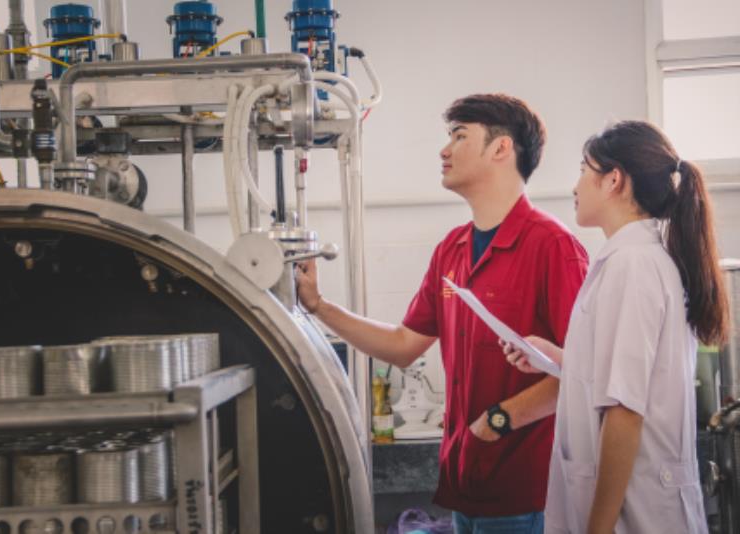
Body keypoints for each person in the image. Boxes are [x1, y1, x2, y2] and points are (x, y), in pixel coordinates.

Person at [296, 94, 589, 533]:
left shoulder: (552, 246)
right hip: (464, 484)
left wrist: (497, 421)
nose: (444, 150)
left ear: (501, 148)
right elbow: (402, 346)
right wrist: (318, 306)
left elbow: (584, 373)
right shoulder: (452, 250)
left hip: (525, 493)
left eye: (459, 136)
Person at [503, 120, 729, 533]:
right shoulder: (634, 259)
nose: (575, 186)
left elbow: (625, 410)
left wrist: (598, 528)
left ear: (613, 180)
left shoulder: (632, 265)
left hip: (637, 514)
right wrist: (561, 361)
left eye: (583, 171)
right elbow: (631, 377)